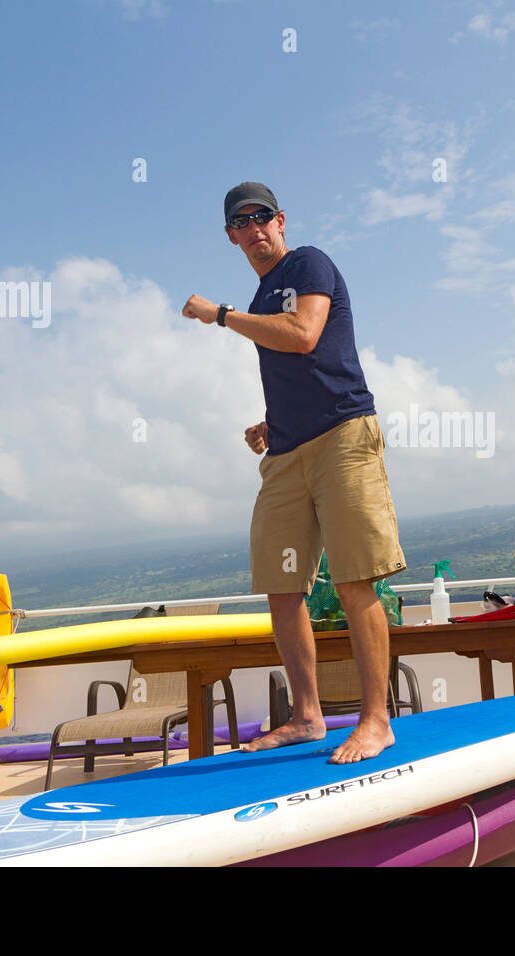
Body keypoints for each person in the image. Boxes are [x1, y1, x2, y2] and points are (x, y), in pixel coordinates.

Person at [182, 181, 405, 764]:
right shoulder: (260, 301)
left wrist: (220, 315)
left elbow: (306, 335)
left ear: (280, 221)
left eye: (262, 218)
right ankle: (307, 717)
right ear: (231, 235)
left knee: (356, 581)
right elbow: (297, 368)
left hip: (343, 440)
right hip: (286, 454)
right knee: (282, 589)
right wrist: (269, 424)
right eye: (241, 223)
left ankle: (376, 720)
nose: (254, 229)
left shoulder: (309, 262)